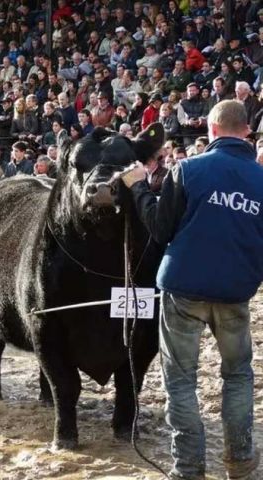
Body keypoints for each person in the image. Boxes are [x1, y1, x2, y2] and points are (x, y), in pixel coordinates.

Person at [121, 101, 261, 480]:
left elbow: (159, 227)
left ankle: (188, 468)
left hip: (183, 288)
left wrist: (138, 189)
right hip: (235, 292)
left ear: (211, 130)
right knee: (238, 376)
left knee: (181, 379)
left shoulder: (189, 168)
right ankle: (241, 461)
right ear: (247, 131)